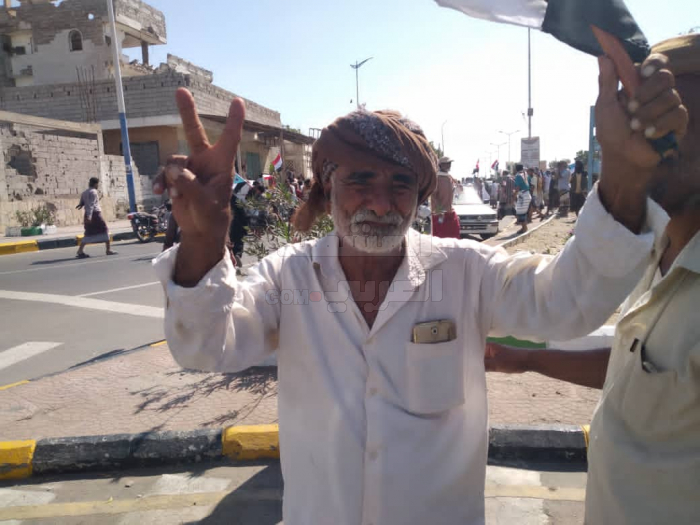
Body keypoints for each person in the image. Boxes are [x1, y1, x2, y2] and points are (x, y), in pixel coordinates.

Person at [152, 56, 684, 524]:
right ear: (329, 184)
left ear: (420, 194)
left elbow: (567, 303)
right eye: (361, 180)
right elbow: (206, 346)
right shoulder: (287, 277)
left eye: (400, 184)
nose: (381, 203)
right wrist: (201, 243)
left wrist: (623, 178)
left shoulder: (466, 271)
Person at [485, 41, 695, 524]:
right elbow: (641, 368)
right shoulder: (659, 248)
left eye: (670, 117)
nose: (648, 141)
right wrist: (529, 360)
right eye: (639, 118)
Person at [76, 177, 116, 259]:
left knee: (88, 232)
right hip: (95, 214)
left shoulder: (85, 192)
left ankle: (80, 251)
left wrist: (81, 205)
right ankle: (108, 250)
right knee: (104, 229)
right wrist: (89, 216)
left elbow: (83, 202)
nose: (98, 185)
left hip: (88, 214)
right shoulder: (94, 192)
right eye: (98, 184)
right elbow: (91, 205)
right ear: (95, 184)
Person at [430, 156, 460, 238]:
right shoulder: (437, 178)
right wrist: (440, 211)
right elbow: (433, 197)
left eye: (449, 163)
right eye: (447, 163)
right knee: (440, 237)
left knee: (454, 235)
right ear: (441, 165)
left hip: (449, 212)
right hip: (440, 214)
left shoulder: (449, 177)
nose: (449, 165)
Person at [513, 164, 531, 233]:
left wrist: (514, 196)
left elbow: (517, 188)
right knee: (522, 212)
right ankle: (524, 227)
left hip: (523, 196)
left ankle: (524, 228)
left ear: (516, 169)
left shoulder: (518, 176)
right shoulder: (525, 174)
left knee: (520, 213)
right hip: (526, 194)